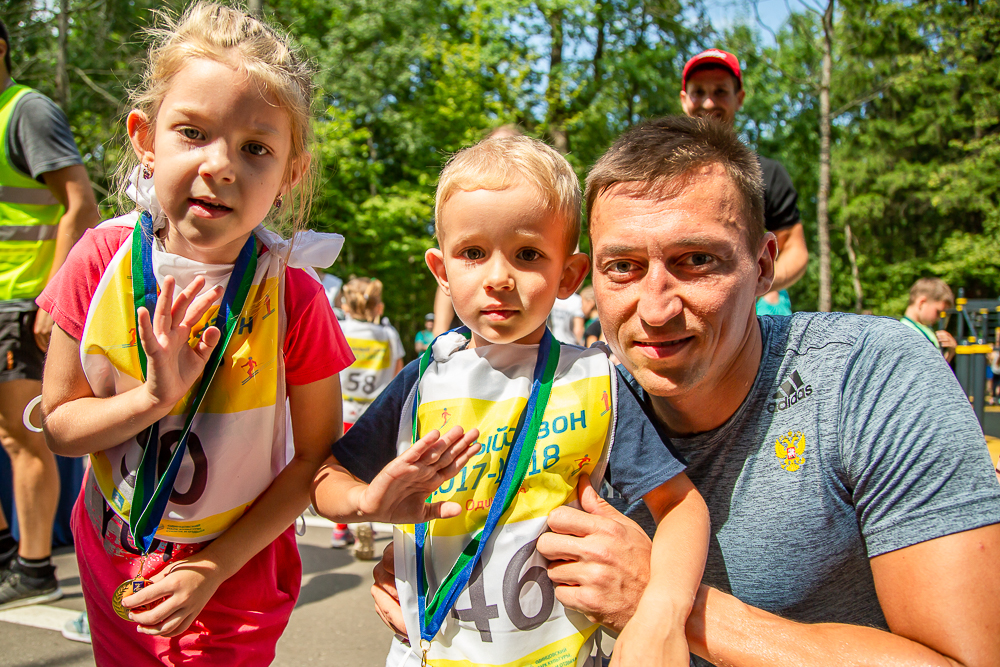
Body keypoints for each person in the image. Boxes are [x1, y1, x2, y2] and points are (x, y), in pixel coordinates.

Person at [372, 116, 1000, 666]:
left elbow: (965, 661)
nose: (656, 307)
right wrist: (432, 563)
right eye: (624, 267)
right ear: (586, 279)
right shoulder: (576, 394)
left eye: (696, 260)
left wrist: (663, 605)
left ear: (763, 266)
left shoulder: (872, 378)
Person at [313, 135, 709, 666]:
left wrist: (663, 614)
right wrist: (365, 503)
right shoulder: (424, 378)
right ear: (442, 271)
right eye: (473, 253)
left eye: (527, 254)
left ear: (568, 276)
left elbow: (681, 505)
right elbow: (325, 479)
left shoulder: (594, 381)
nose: (498, 278)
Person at [36, 4, 353, 664]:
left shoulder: (294, 295)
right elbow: (60, 422)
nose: (222, 165)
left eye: (256, 148)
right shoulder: (99, 261)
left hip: (237, 569)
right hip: (115, 551)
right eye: (193, 132)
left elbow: (314, 459)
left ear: (291, 172)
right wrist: (150, 398)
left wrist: (214, 566)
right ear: (146, 139)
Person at [0, 19, 101, 610]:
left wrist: (55, 294)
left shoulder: (26, 111)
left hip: (22, 303)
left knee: (23, 437)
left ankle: (35, 565)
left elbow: (79, 202)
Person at [680, 49, 808, 316]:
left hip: (754, 313)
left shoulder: (767, 173)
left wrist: (758, 283)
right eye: (698, 92)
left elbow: (795, 251)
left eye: (720, 91)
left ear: (739, 99)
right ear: (684, 100)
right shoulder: (660, 172)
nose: (707, 102)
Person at [333, 276, 405, 556]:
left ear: (346, 305)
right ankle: (366, 520)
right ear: (379, 307)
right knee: (369, 473)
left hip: (341, 412)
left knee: (339, 472)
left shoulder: (338, 329)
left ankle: (340, 530)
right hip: (374, 415)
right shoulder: (388, 335)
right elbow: (399, 373)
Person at [901, 277, 957, 362]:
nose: (939, 318)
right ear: (922, 303)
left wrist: (950, 352)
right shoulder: (907, 333)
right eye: (938, 312)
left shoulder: (923, 330)